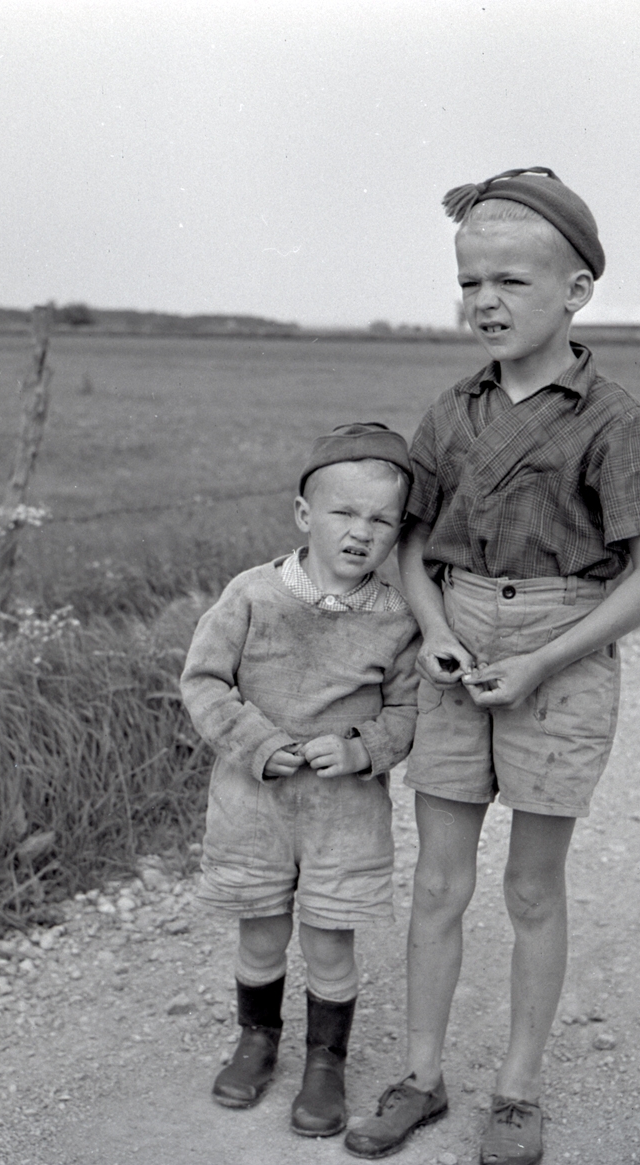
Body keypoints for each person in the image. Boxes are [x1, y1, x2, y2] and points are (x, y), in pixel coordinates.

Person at [345, 168, 640, 1164]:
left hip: (561, 648)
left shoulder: (612, 420)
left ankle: (519, 1089)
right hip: (455, 643)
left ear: (576, 291)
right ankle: (419, 1075)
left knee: (531, 888)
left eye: (510, 281)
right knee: (437, 881)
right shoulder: (450, 413)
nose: (484, 301)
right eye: (469, 282)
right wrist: (432, 626)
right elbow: (413, 542)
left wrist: (539, 659)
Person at [179, 422, 421, 1138]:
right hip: (252, 803)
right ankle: (256, 1041)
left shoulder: (397, 618)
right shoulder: (252, 594)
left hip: (344, 812)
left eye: (381, 520)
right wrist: (254, 742)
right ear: (303, 514)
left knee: (329, 942)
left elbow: (409, 710)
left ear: (398, 531)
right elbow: (203, 680)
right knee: (260, 931)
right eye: (343, 512)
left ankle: (325, 1061)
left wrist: (362, 748)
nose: (360, 533)